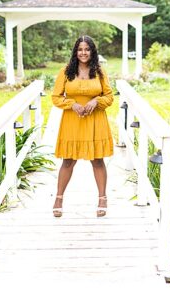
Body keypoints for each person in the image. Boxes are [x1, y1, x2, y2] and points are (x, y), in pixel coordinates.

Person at [51, 36, 115, 218]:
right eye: (80, 49)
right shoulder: (66, 71)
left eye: (87, 49)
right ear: (75, 52)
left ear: (92, 51)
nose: (83, 53)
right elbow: (55, 97)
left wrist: (97, 100)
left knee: (97, 160)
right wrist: (71, 104)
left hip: (95, 121)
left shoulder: (100, 72)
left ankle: (102, 198)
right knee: (68, 160)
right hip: (72, 121)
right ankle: (59, 198)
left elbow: (110, 97)